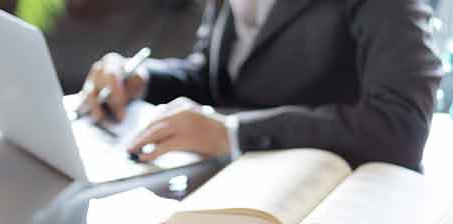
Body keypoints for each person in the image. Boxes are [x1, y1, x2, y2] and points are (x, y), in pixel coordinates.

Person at [79, 0, 443, 172]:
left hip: (328, 205)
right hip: (228, 185)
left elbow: (402, 127)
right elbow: (215, 77)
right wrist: (144, 79)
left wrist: (233, 133)